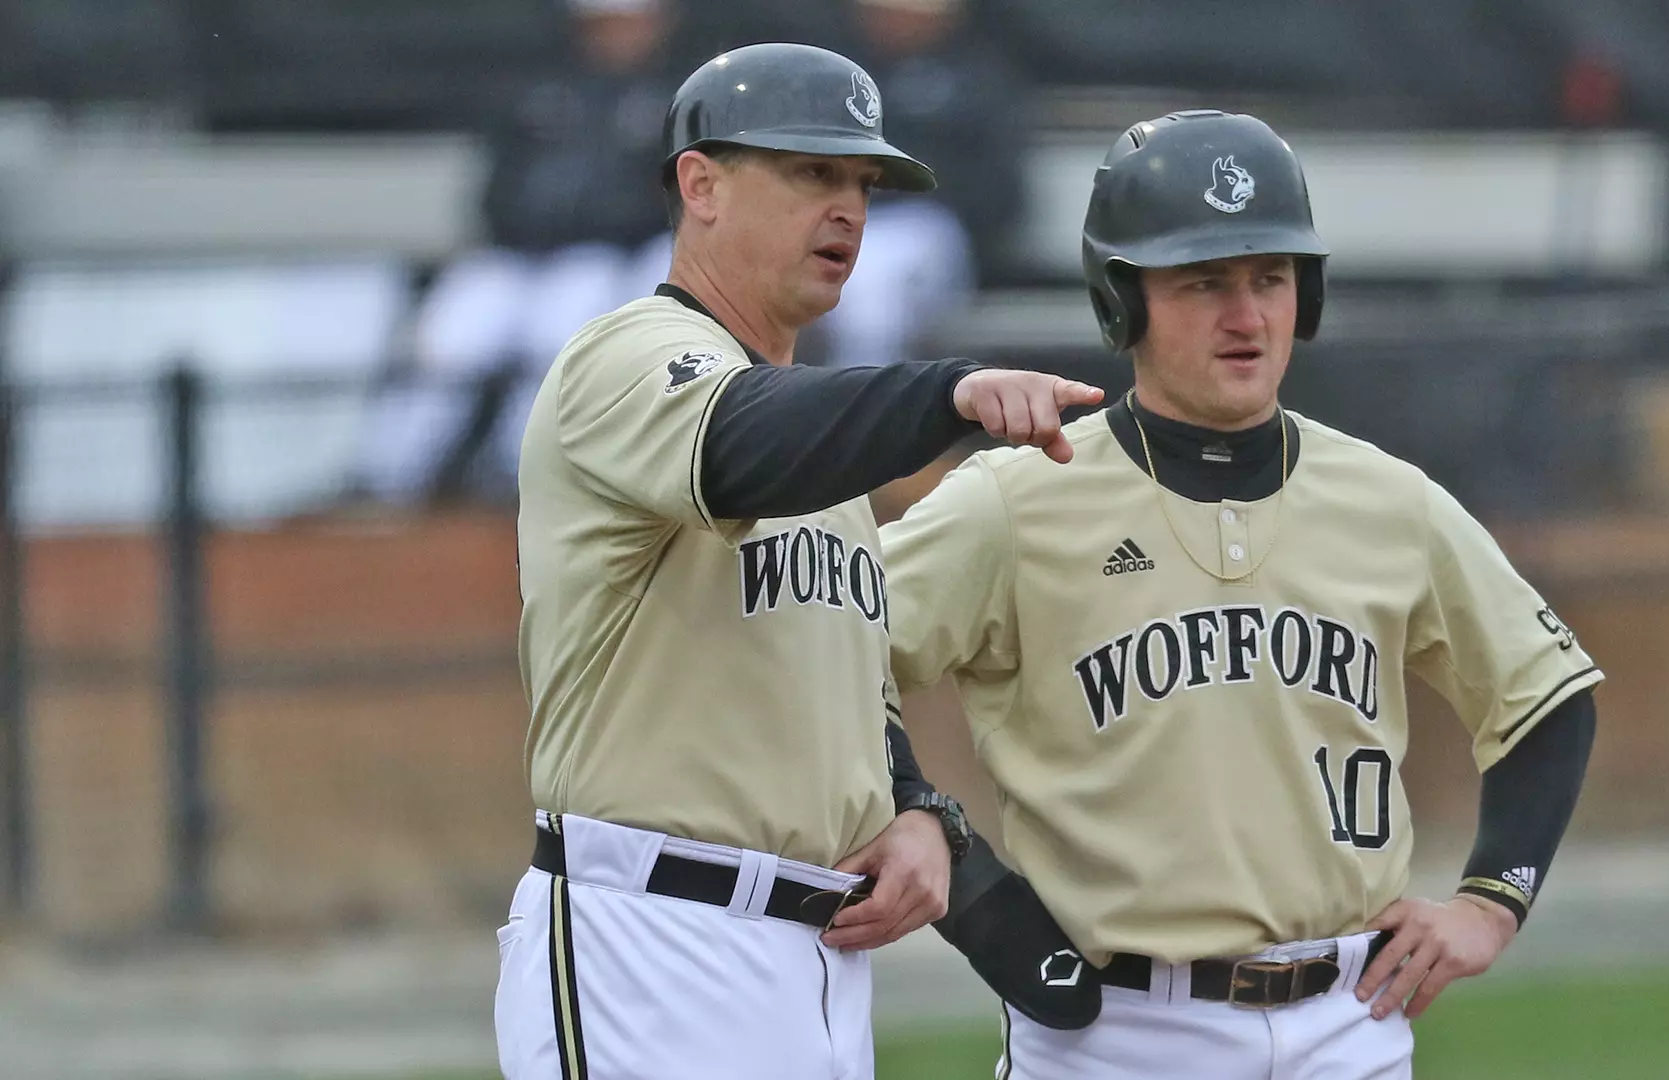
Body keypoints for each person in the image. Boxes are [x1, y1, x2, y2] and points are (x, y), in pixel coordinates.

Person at [880, 110, 1604, 1078]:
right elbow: (826, 658)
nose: (1247, 315)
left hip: (1350, 1024)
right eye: (1203, 281)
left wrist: (1491, 899)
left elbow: (1546, 698)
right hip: (1116, 1035)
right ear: (1123, 300)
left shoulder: (1387, 499)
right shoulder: (1019, 498)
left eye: (1271, 278)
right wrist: (931, 825)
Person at [492, 42, 1103, 1080]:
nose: (850, 208)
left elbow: (845, 689)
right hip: (648, 941)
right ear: (703, 185)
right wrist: (944, 394)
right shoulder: (626, 357)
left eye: (862, 182)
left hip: (814, 959)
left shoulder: (828, 456)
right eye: (812, 172)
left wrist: (915, 811)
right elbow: (745, 442)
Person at [355, 0, 684, 505]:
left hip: (607, 257)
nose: (615, 35)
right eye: (602, 24)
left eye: (626, 22)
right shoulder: (541, 92)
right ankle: (387, 480)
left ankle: (521, 478)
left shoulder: (675, 99)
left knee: (562, 333)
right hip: (513, 257)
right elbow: (493, 188)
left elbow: (666, 200)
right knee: (451, 336)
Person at [805, 0, 1021, 370]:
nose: (898, 20)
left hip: (928, 227)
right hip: (837, 220)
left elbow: (1002, 193)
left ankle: (861, 418)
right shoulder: (833, 75)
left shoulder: (977, 79)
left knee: (866, 297)